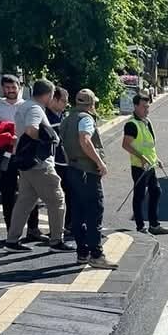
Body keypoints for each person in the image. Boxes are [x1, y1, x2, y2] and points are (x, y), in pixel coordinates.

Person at [6, 79, 72, 252]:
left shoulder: (24, 106)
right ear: (49, 94)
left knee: (24, 202)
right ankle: (56, 241)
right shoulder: (35, 109)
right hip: (40, 164)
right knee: (57, 200)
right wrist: (47, 141)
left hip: (26, 163)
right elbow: (31, 129)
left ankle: (12, 240)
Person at [0, 74, 44, 240]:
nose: (10, 90)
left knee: (32, 191)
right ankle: (11, 232)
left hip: (27, 155)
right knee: (8, 193)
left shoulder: (28, 106)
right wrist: (1, 139)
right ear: (3, 88)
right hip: (7, 156)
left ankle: (33, 229)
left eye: (13, 87)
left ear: (19, 87)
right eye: (7, 88)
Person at [61, 89, 117, 269]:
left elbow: (63, 144)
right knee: (94, 212)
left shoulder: (67, 119)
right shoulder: (86, 119)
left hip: (73, 169)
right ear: (91, 104)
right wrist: (99, 162)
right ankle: (96, 254)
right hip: (87, 172)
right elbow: (85, 140)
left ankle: (82, 252)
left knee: (78, 213)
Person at [121, 94, 168, 235]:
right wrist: (141, 158)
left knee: (156, 192)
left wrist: (156, 159)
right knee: (140, 196)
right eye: (144, 107)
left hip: (150, 165)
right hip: (139, 167)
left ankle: (154, 225)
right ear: (135, 106)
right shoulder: (132, 124)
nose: (147, 110)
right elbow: (126, 145)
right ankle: (140, 227)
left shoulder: (146, 122)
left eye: (148, 107)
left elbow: (149, 146)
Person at [46, 86, 73, 234]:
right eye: (63, 101)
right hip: (55, 162)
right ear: (54, 100)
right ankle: (58, 229)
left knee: (68, 194)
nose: (66, 104)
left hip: (64, 162)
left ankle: (67, 224)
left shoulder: (60, 115)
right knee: (57, 197)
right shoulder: (48, 118)